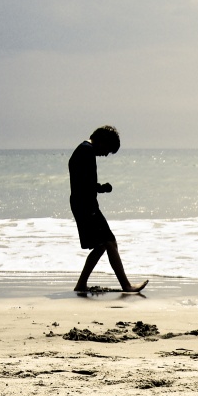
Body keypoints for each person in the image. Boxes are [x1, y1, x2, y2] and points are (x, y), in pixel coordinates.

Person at [69, 125, 147, 294]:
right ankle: (126, 285)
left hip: (81, 202)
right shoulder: (86, 151)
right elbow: (85, 183)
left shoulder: (83, 149)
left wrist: (97, 188)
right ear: (102, 140)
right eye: (108, 149)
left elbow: (82, 181)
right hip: (85, 204)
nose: (106, 154)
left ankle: (81, 284)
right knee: (109, 241)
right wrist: (101, 188)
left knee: (102, 245)